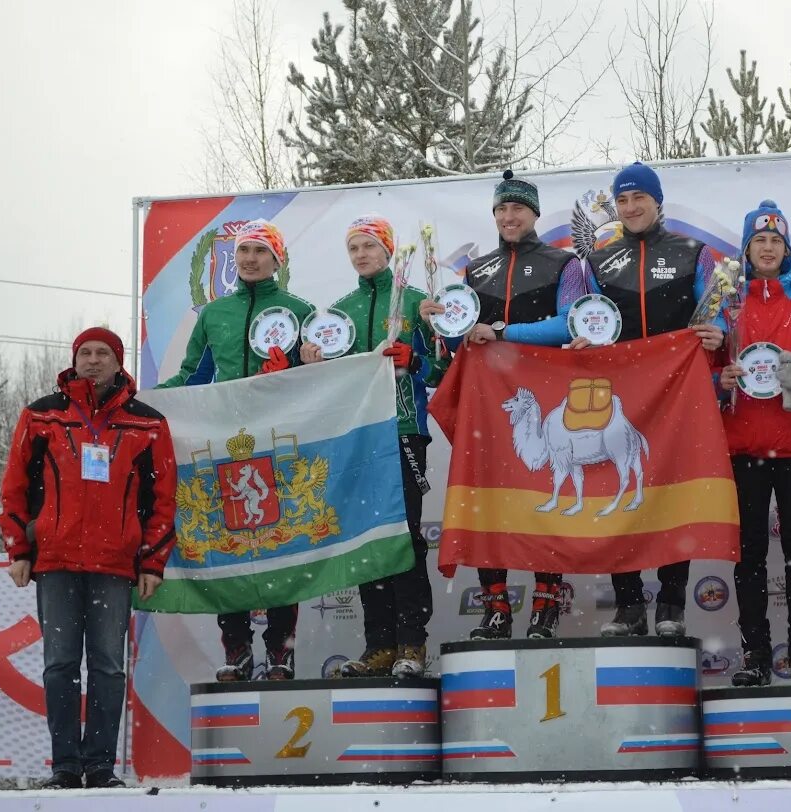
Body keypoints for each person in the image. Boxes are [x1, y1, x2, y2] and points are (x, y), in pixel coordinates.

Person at [0, 328, 176, 789]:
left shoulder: (147, 422)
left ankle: (100, 767)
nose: (93, 360)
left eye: (103, 354)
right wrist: (20, 549)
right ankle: (64, 766)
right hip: (55, 561)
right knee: (59, 663)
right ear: (74, 360)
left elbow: (163, 498)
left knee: (107, 665)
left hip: (114, 566)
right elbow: (15, 487)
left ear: (119, 362)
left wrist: (153, 561)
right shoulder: (42, 415)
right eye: (85, 353)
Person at [558, 161, 725, 637]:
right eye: (624, 200)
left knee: (676, 491)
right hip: (622, 392)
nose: (631, 208)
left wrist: (718, 333)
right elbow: (580, 318)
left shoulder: (695, 253)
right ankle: (629, 606)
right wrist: (581, 339)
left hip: (679, 390)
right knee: (620, 487)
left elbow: (717, 312)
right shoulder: (598, 261)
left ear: (657, 202)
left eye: (640, 199)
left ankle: (672, 604)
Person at [419, 170, 585, 640]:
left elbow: (569, 325)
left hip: (543, 395)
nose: (509, 217)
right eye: (502, 209)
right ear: (494, 215)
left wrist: (505, 333)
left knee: (541, 496)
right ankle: (495, 609)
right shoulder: (476, 270)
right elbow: (456, 345)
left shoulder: (564, 263)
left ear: (534, 213)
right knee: (486, 500)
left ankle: (546, 607)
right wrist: (439, 323)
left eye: (518, 208)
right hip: (488, 402)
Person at [158, 219, 314, 681]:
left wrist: (299, 371)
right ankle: (238, 650)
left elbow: (323, 376)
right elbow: (191, 377)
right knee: (231, 544)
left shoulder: (301, 310)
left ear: (276, 259)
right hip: (228, 443)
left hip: (282, 443)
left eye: (259, 252)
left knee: (281, 545)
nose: (249, 259)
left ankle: (281, 653)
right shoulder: (213, 314)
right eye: (243, 251)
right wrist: (143, 399)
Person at [301, 214, 447, 676]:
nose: (361, 255)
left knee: (404, 538)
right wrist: (312, 364)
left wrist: (418, 357)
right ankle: (379, 644)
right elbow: (328, 386)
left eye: (369, 246)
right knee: (366, 542)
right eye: (354, 248)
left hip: (402, 432)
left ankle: (412, 642)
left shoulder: (418, 301)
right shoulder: (337, 314)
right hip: (357, 438)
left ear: (388, 251)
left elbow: (444, 371)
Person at [717, 200, 791, 686]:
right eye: (759, 241)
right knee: (748, 554)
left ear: (787, 248)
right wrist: (718, 379)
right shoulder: (726, 302)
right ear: (747, 249)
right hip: (742, 449)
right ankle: (755, 656)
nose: (768, 248)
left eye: (776, 241)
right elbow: (704, 370)